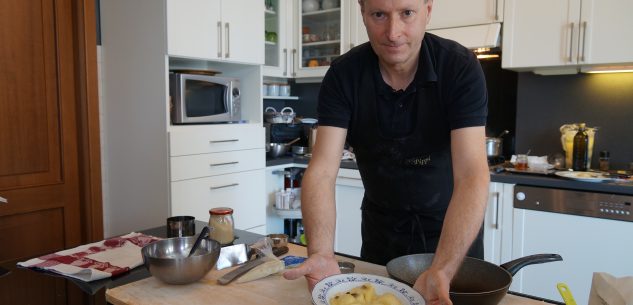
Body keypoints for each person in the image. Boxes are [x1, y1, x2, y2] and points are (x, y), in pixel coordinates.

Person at [283, 0, 490, 304]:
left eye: (407, 13)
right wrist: (321, 253)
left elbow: (473, 174)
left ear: (427, 11)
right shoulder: (344, 74)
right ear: (363, 13)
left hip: (450, 242)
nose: (393, 33)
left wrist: (443, 270)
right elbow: (322, 171)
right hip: (382, 236)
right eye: (379, 14)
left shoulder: (459, 67)